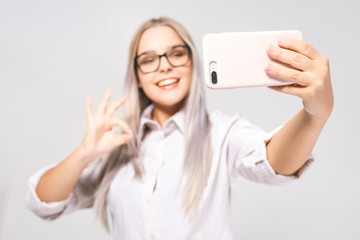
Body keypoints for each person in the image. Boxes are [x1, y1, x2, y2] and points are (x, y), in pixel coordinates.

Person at [26, 17, 333, 239]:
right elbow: (42, 204)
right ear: (137, 74)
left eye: (176, 54)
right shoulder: (118, 147)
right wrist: (84, 153)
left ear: (193, 62)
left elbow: (274, 163)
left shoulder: (222, 133)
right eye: (148, 59)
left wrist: (315, 114)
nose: (164, 66)